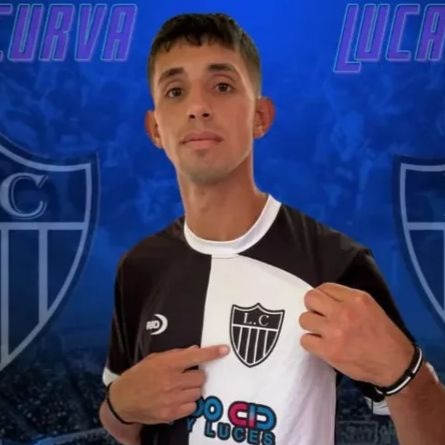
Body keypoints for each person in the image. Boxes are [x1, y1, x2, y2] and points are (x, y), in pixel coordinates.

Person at [98, 13, 445, 445]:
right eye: (175, 91)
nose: (197, 106)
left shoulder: (336, 264)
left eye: (222, 86)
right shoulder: (138, 269)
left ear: (260, 117)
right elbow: (125, 426)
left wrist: (406, 374)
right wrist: (119, 406)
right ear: (155, 129)